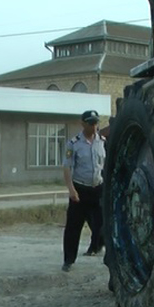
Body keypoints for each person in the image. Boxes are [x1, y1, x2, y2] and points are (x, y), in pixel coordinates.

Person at [61, 110, 106, 272]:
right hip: (80, 189)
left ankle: (97, 247)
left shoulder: (102, 141)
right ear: (83, 124)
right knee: (74, 227)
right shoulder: (74, 143)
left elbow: (104, 166)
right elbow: (67, 168)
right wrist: (71, 190)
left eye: (96, 123)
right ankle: (68, 260)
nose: (94, 126)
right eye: (91, 123)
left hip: (98, 189)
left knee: (101, 224)